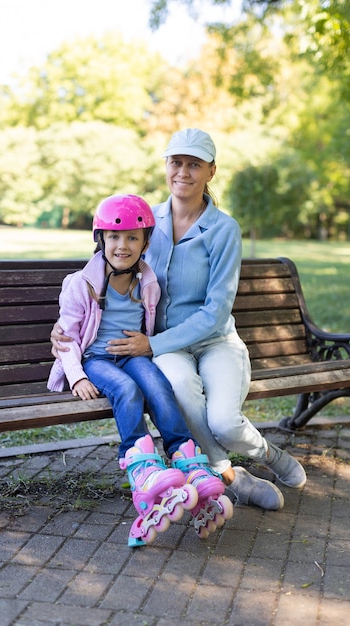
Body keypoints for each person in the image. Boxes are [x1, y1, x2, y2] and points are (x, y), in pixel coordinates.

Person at [51, 130, 306, 512]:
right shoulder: (144, 218)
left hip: (212, 341)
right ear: (166, 166)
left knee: (224, 422)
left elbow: (216, 311)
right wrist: (69, 327)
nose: (183, 172)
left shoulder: (223, 230)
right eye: (176, 162)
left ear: (211, 171)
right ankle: (232, 478)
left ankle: (271, 455)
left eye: (194, 164)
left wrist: (150, 345)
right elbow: (103, 265)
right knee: (179, 393)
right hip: (165, 347)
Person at [47, 193, 233, 547]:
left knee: (159, 386)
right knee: (128, 391)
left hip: (133, 356)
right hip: (96, 360)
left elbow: (150, 328)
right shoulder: (81, 284)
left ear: (146, 243)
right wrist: (78, 376)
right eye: (114, 237)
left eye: (133, 238)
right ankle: (141, 466)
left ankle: (186, 459)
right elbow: (67, 337)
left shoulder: (147, 280)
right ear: (100, 239)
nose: (123, 245)